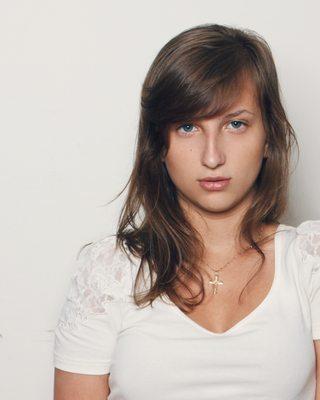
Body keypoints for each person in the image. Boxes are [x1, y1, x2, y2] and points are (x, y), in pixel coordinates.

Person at [53, 23, 320, 400]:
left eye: (236, 124)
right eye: (189, 127)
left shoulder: (311, 261)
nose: (213, 157)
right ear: (159, 143)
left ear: (269, 138)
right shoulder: (108, 271)